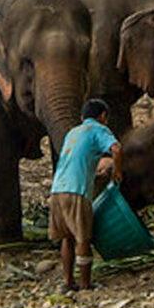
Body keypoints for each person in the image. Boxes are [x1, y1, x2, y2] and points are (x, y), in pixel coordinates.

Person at [48, 98, 122, 291]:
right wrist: (117, 172)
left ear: (82, 117)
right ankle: (85, 283)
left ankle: (68, 282)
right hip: (76, 190)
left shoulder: (73, 132)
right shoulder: (98, 129)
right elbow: (116, 149)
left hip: (57, 189)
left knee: (66, 237)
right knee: (82, 237)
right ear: (103, 116)